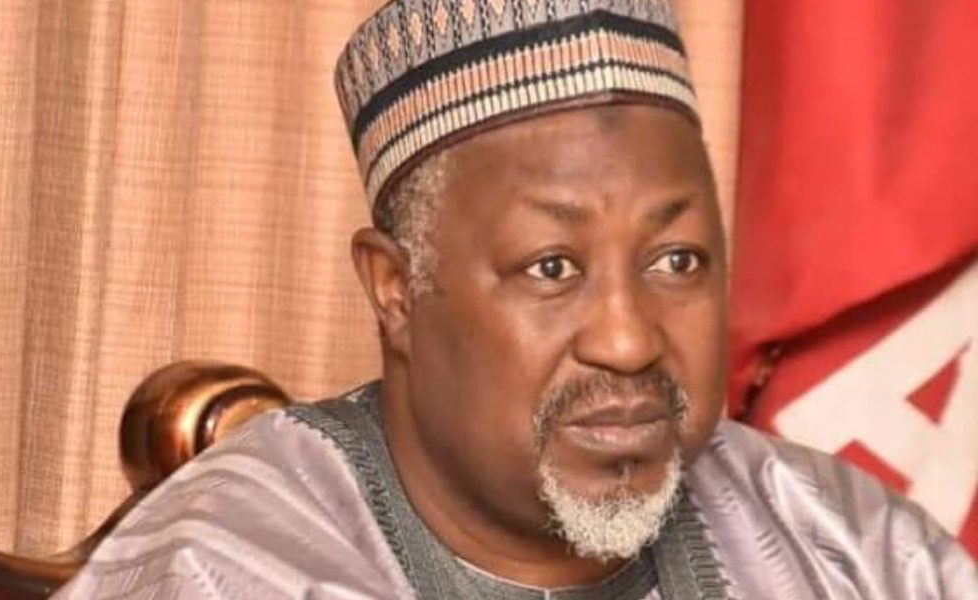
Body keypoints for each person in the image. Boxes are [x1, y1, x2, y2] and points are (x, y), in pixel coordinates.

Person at [53, 1, 975, 598]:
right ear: (396, 289)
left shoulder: (852, 552)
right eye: (551, 268)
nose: (628, 341)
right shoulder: (233, 571)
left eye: (676, 260)